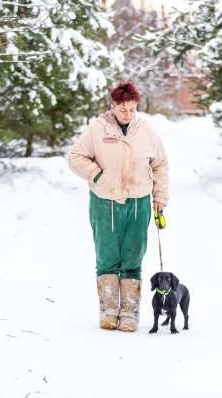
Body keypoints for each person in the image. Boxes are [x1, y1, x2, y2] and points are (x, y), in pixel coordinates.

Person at [68, 81, 169, 332]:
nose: (128, 114)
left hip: (138, 202)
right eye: (123, 109)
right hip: (105, 202)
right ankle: (109, 310)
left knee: (133, 257)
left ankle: (130, 313)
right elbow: (75, 157)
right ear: (113, 106)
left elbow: (160, 166)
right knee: (107, 256)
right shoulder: (96, 129)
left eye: (132, 109)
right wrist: (97, 175)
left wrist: (160, 198)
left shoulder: (147, 132)